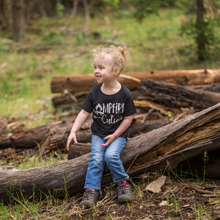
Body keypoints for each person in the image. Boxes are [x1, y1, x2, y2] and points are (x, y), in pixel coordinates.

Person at [66, 46, 137, 207]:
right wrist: (73, 130)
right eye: (95, 67)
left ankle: (122, 184)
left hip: (118, 135)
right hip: (99, 134)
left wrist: (115, 135)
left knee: (110, 156)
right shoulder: (94, 92)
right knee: (96, 158)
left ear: (115, 70)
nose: (96, 71)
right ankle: (91, 190)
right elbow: (84, 113)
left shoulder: (125, 94)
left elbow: (128, 118)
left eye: (101, 67)